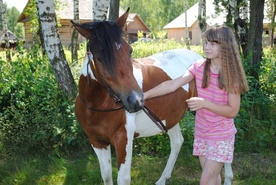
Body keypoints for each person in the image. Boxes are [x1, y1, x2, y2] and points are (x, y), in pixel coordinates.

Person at [144, 26, 248, 185]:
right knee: (214, 177)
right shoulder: (199, 67)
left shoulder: (231, 76)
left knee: (205, 181)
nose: (207, 47)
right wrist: (144, 95)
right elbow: (172, 84)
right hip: (202, 133)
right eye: (206, 42)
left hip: (221, 137)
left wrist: (205, 104)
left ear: (225, 46)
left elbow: (233, 111)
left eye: (213, 44)